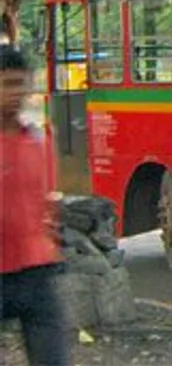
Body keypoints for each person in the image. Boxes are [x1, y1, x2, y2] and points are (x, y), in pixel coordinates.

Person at [1, 44, 71, 365]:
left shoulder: (38, 143)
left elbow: (47, 204)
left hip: (36, 274)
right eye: (7, 85)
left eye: (21, 84)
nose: (16, 93)